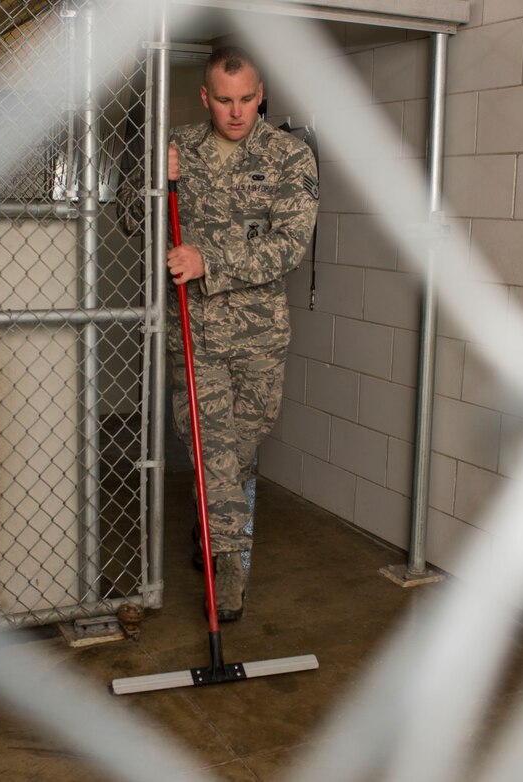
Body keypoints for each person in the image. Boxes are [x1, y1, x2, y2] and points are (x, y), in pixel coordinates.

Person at [121, 45, 318, 620]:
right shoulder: (178, 146)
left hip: (259, 336)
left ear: (262, 95)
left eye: (247, 99)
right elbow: (130, 218)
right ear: (206, 97)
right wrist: (153, 185)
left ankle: (209, 525)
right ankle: (227, 573)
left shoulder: (289, 157)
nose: (236, 112)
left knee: (240, 446)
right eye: (224, 101)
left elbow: (290, 246)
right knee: (213, 448)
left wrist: (210, 260)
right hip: (197, 335)